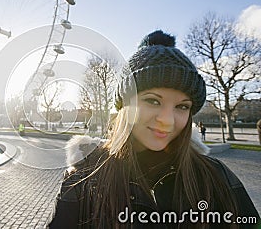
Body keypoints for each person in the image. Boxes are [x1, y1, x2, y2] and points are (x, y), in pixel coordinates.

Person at [49, 30, 260, 228]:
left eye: (182, 106)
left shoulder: (216, 176)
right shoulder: (85, 176)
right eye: (153, 101)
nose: (167, 121)